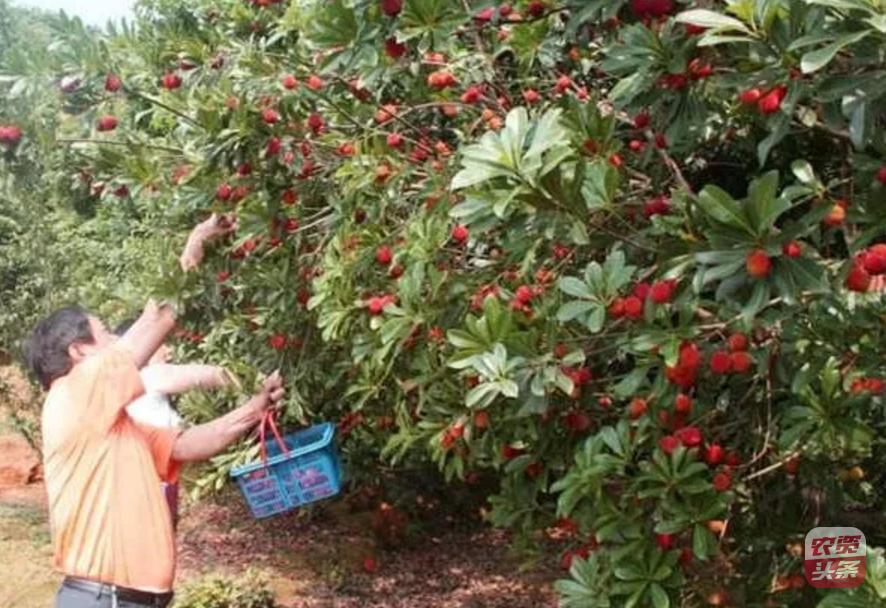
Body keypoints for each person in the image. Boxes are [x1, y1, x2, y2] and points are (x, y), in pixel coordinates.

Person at [23, 213, 280, 608]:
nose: (118, 339)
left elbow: (188, 444)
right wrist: (195, 244)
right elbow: (158, 317)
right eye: (107, 333)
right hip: (106, 599)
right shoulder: (74, 392)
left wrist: (255, 407)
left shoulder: (110, 426)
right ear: (79, 352)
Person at [113, 318, 239, 529]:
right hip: (153, 476)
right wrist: (241, 379)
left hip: (143, 476)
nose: (168, 351)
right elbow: (200, 376)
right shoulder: (147, 376)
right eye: (161, 344)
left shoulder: (118, 388)